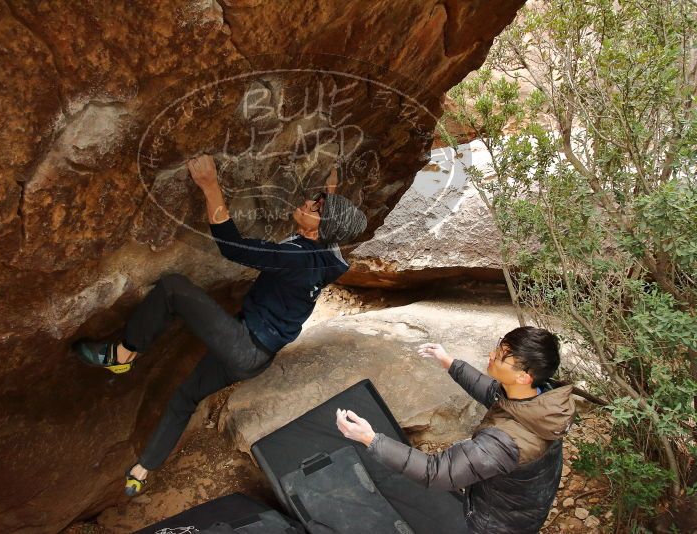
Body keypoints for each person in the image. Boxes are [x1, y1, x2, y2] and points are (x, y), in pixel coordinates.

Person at [75, 154, 367, 496]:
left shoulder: (297, 258)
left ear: (318, 229)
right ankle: (143, 470)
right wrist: (331, 187)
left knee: (172, 288)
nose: (308, 201)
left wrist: (209, 185)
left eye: (316, 206)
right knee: (185, 397)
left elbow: (233, 247)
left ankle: (122, 354)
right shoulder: (327, 259)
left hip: (243, 344)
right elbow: (334, 224)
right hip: (256, 356)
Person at [336, 326, 576, 534]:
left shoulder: (504, 442)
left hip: (499, 524)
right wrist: (449, 363)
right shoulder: (540, 399)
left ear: (524, 376)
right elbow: (492, 393)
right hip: (526, 503)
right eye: (498, 347)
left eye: (502, 357)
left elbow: (437, 472)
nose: (492, 355)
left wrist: (371, 439)